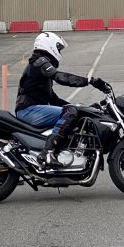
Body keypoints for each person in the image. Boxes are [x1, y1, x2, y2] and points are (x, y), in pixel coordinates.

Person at [15, 31, 109, 164]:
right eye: (58, 48)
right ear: (49, 45)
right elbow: (61, 78)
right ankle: (48, 152)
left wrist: (80, 108)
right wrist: (88, 81)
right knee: (70, 112)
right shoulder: (40, 62)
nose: (59, 52)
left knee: (73, 111)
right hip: (28, 110)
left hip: (32, 110)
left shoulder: (39, 67)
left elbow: (54, 99)